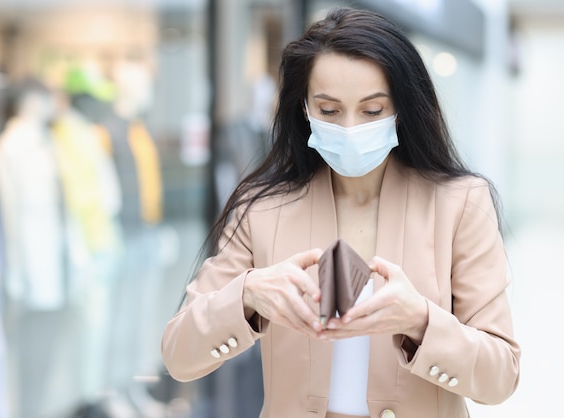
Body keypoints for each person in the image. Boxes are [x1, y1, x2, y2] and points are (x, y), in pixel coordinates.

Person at [162, 7, 520, 418]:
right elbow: (178, 354)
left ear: (403, 109)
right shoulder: (262, 210)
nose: (350, 128)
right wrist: (246, 295)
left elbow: (500, 376)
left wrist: (421, 321)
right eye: (330, 111)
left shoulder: (460, 204)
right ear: (304, 110)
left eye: (372, 111)